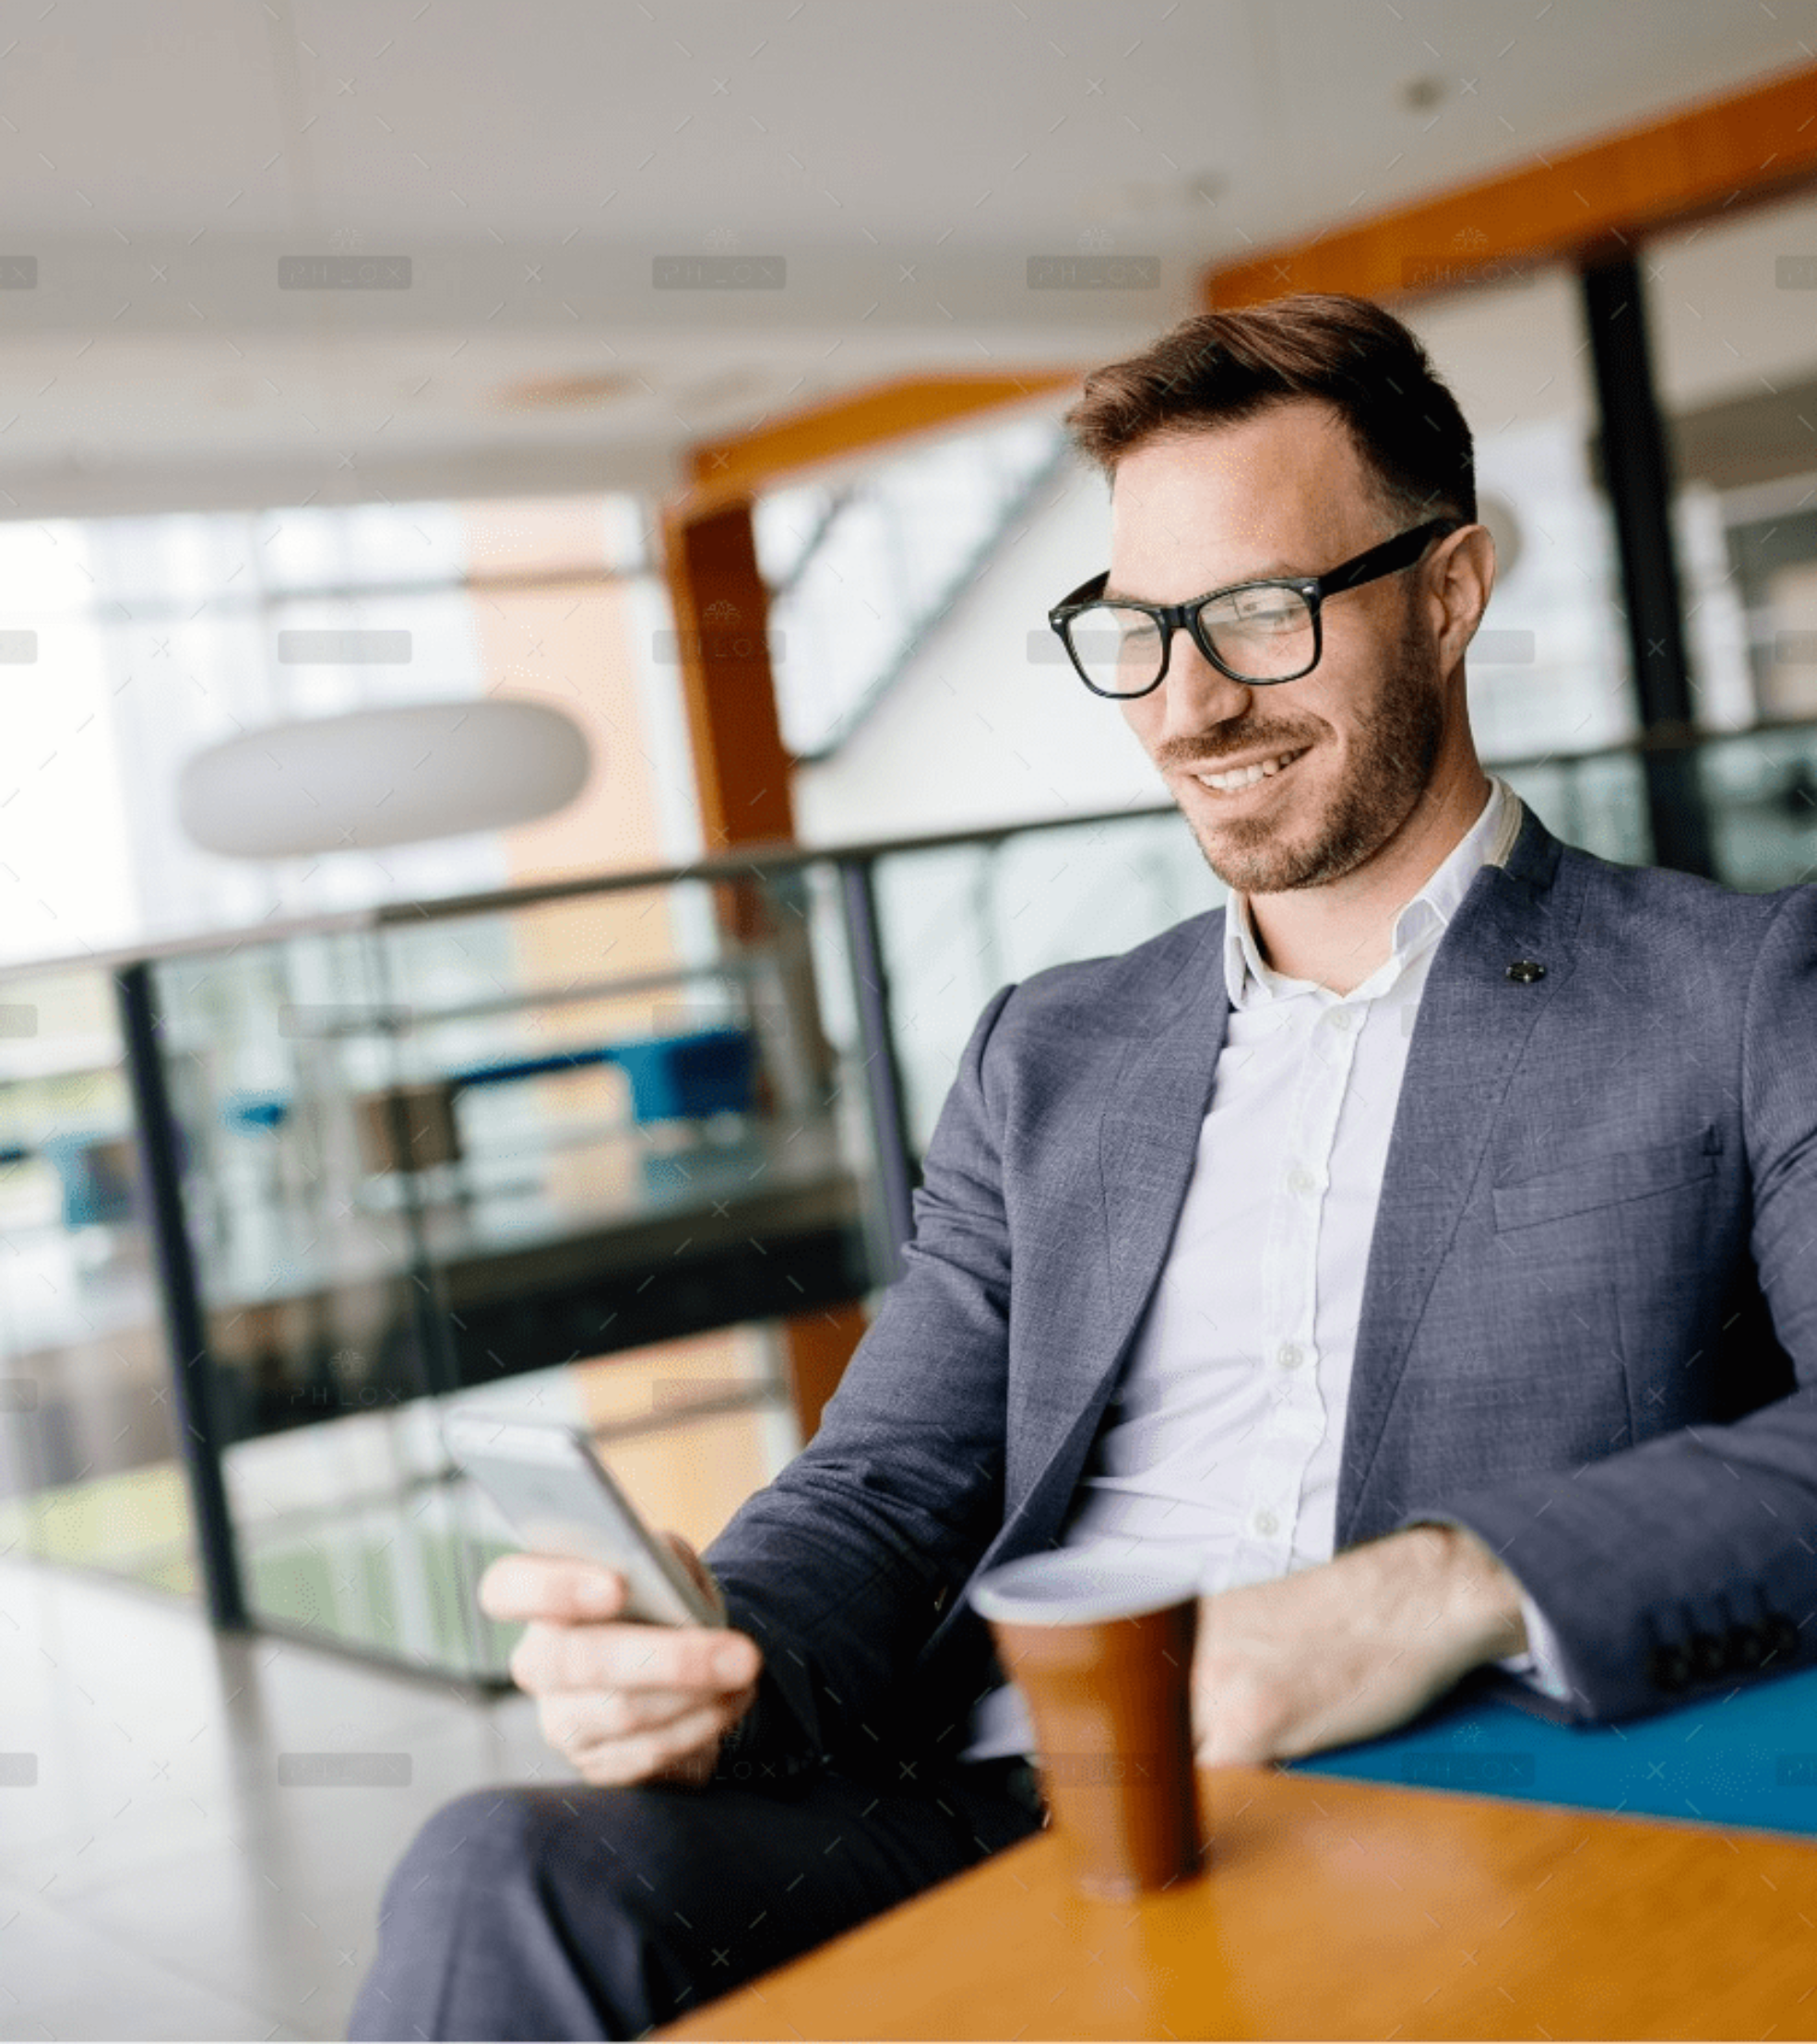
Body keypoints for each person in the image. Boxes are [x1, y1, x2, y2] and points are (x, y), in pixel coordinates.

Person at [348, 293, 1817, 2042]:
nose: (1190, 704)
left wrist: (1424, 1589)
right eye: (1136, 632)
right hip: (1000, 1799)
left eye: (1262, 615)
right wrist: (713, 1643)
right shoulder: (1046, 1052)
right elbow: (889, 1486)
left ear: (1448, 592)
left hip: (1428, 1797)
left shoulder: (1733, 990)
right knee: (499, 1870)